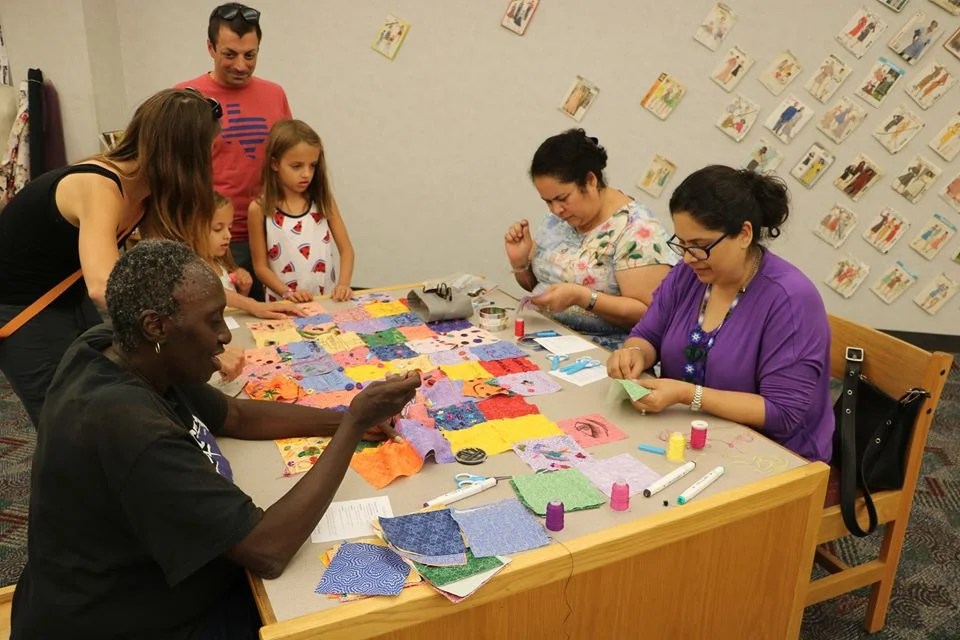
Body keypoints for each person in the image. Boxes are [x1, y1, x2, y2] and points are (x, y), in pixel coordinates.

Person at [10, 240, 420, 639]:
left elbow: (235, 414)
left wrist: (344, 417)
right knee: (356, 617)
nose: (225, 336)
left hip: (111, 591)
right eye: (212, 321)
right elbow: (268, 550)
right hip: (123, 621)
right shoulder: (130, 427)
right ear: (156, 325)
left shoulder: (117, 348)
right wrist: (351, 430)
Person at [0, 88, 230, 427]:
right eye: (208, 152)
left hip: (62, 296)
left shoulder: (145, 191)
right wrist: (194, 334)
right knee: (68, 418)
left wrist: (204, 326)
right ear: (184, 156)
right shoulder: (101, 186)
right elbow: (102, 284)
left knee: (107, 384)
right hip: (20, 308)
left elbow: (164, 274)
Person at [606, 166, 833, 463]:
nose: (687, 257)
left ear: (744, 234)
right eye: (682, 244)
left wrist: (687, 395)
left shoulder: (790, 299)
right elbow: (648, 335)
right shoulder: (689, 275)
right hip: (689, 440)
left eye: (700, 246)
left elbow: (783, 413)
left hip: (774, 458)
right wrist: (634, 353)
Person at [504, 129, 674, 349]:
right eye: (547, 202)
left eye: (562, 198)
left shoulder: (638, 232)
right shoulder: (561, 218)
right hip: (545, 338)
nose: (556, 209)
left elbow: (650, 316)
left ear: (591, 181)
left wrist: (584, 297)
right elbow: (538, 287)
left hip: (601, 355)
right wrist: (521, 264)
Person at [176, 3, 293, 301]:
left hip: (270, 231)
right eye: (230, 54)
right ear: (210, 48)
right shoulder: (186, 98)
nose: (241, 65)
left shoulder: (275, 93)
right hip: (211, 237)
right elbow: (174, 172)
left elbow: (288, 158)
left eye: (250, 55)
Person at [248, 119, 355, 302]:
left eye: (312, 165)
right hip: (284, 305)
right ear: (275, 164)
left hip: (325, 301)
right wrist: (287, 292)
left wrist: (343, 284)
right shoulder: (258, 209)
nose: (306, 173)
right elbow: (260, 267)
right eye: (296, 166)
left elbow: (346, 250)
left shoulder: (323, 200)